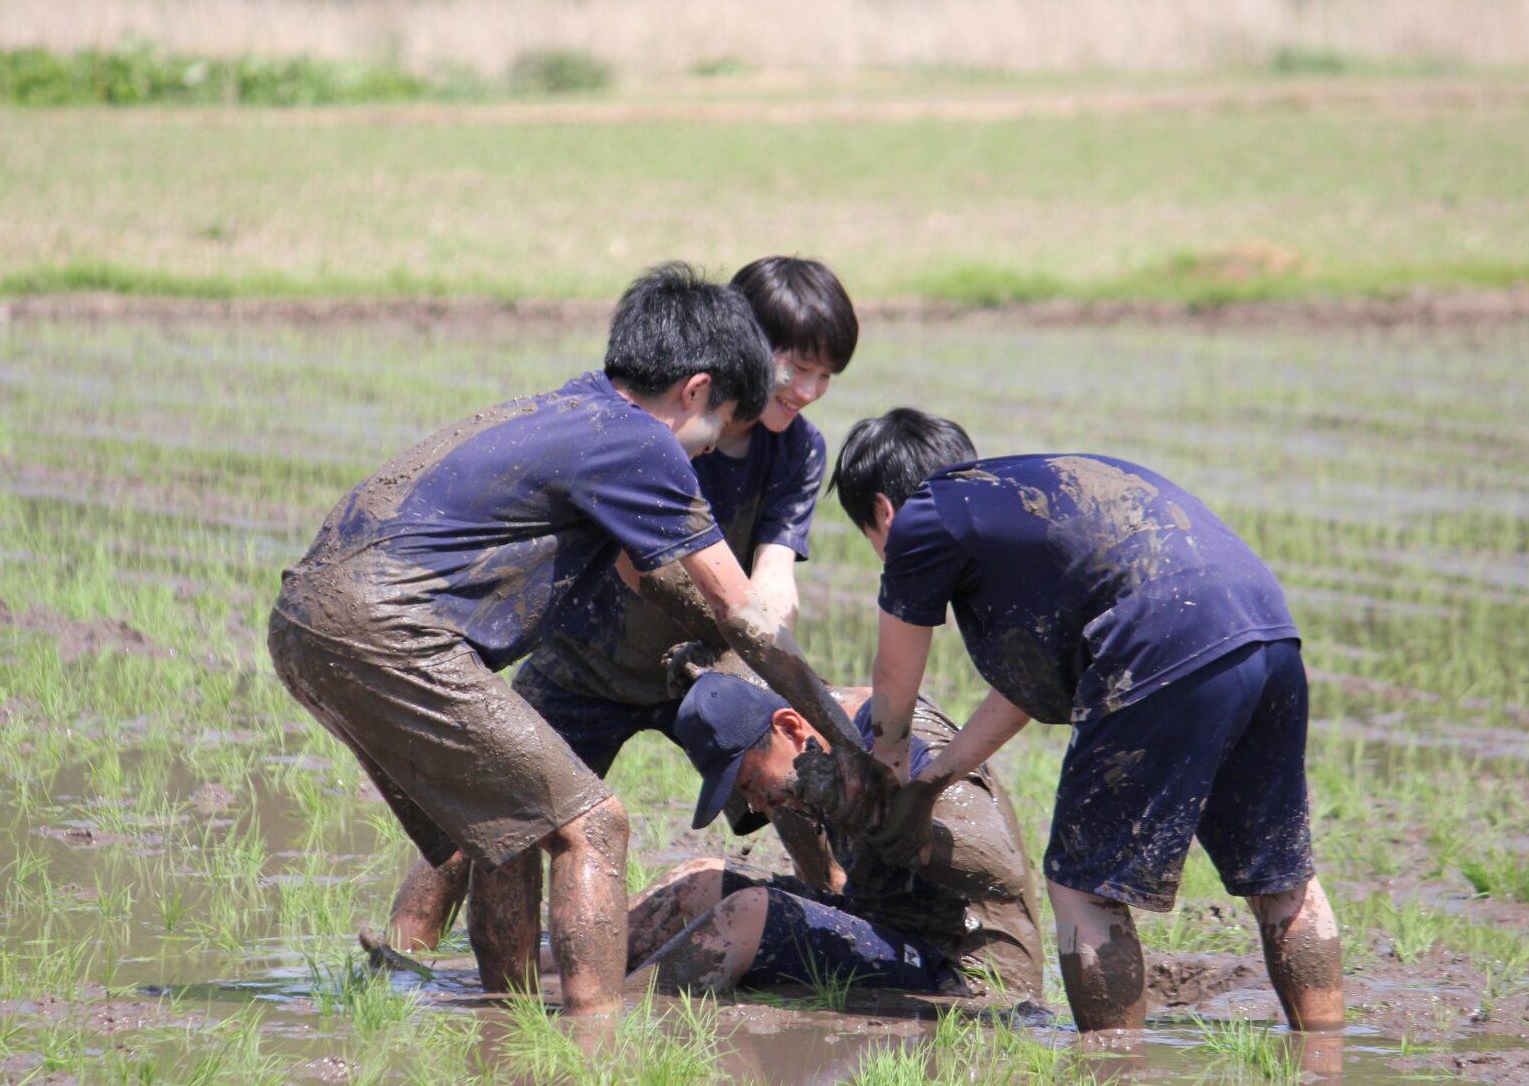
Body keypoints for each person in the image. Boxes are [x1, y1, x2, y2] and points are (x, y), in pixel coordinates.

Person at [268, 264, 875, 1018]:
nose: (709, 449)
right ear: (696, 389)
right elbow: (732, 607)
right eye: (717, 422)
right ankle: (593, 1039)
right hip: (429, 634)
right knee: (592, 824)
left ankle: (509, 1023)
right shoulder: (642, 444)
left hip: (314, 616)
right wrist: (838, 725)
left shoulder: (572, 406)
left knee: (507, 826)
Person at [831, 408, 1345, 1034]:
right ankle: (1325, 1059)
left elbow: (894, 681)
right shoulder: (1026, 504)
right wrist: (932, 780)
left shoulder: (921, 517)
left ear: (883, 512)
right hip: (1265, 626)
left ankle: (1112, 1065)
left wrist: (888, 778)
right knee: (1282, 881)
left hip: (1165, 638)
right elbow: (1020, 692)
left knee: (1083, 889)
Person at [622, 665, 1046, 1001]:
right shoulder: (814, 745)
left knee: (748, 913)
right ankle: (566, 973)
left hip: (965, 973)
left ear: (789, 727)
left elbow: (1004, 872)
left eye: (750, 783)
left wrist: (877, 818)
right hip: (884, 926)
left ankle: (613, 1015)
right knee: (699, 879)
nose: (754, 807)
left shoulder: (903, 736)